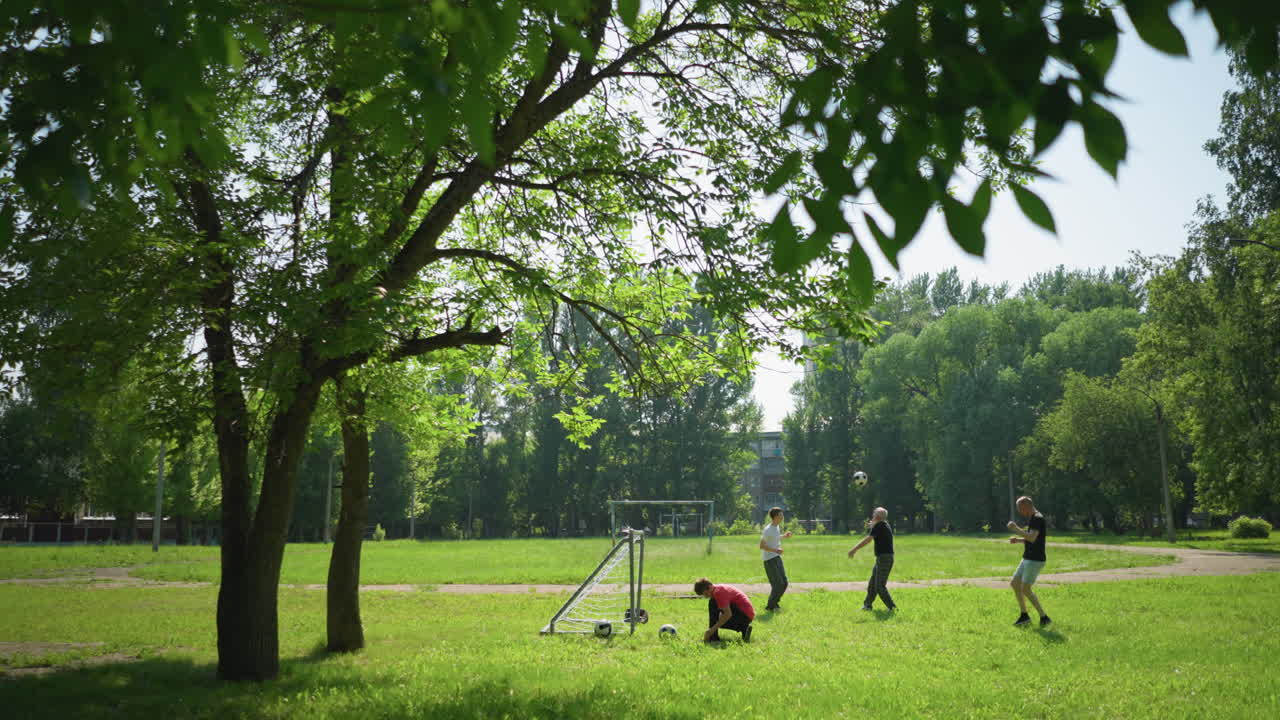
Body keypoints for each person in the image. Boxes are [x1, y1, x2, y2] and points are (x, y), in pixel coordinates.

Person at [1007, 495, 1051, 627]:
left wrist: (1016, 528)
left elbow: (1032, 538)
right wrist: (1019, 540)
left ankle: (1044, 617)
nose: (1019, 511)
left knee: (1025, 589)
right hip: (1028, 557)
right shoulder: (1033, 518)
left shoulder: (1037, 518)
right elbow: (1034, 538)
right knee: (1015, 584)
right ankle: (1024, 615)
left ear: (1026, 506)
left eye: (1020, 508)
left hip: (1035, 559)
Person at [848, 506, 896, 612]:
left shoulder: (879, 526)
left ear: (877, 516)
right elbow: (876, 532)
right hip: (883, 558)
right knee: (873, 583)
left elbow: (868, 540)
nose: (872, 516)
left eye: (874, 514)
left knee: (879, 586)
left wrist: (854, 549)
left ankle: (892, 607)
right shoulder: (883, 524)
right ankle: (867, 605)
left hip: (884, 558)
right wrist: (872, 525)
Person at [693, 578, 754, 642]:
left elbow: (728, 614)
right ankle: (744, 629)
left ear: (710, 587)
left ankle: (713, 637)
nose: (706, 597)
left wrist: (711, 630)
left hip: (745, 615)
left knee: (713, 604)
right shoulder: (717, 589)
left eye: (706, 594)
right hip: (745, 615)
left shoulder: (718, 593)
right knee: (718, 618)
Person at [760, 507, 792, 611]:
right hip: (769, 560)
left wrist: (784, 536)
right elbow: (762, 546)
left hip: (777, 557)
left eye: (782, 515)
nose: (782, 517)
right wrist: (776, 550)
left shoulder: (776, 527)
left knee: (784, 582)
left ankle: (774, 603)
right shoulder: (768, 530)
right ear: (775, 517)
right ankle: (770, 606)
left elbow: (775, 537)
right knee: (777, 584)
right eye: (780, 515)